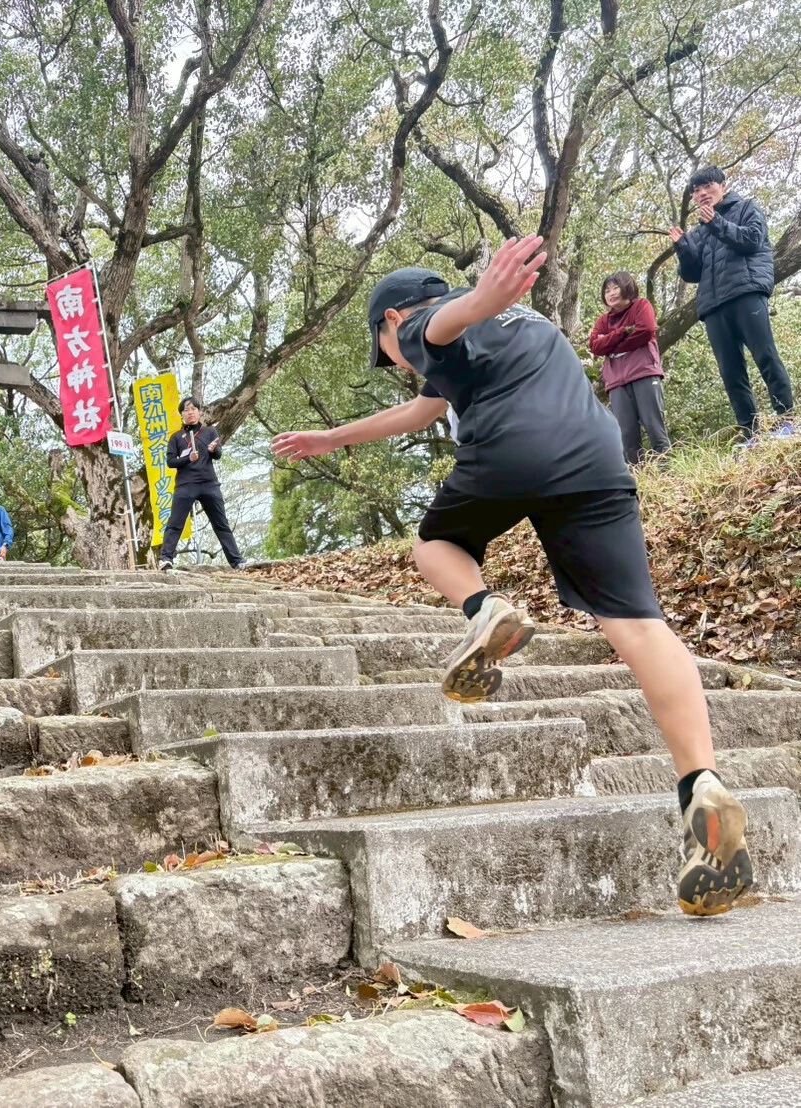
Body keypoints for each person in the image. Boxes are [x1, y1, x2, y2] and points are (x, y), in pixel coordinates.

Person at [270, 239, 751, 918]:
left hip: (508, 450)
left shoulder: (425, 321)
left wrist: (477, 300)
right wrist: (332, 437)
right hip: (596, 462)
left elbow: (439, 325)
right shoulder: (532, 328)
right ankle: (700, 781)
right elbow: (421, 408)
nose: (400, 361)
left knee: (433, 545)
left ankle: (485, 608)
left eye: (391, 350)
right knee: (638, 626)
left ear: (391, 319)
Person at [669, 166, 795, 437]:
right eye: (696, 191)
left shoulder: (747, 207)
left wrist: (716, 222)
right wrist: (682, 246)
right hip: (714, 304)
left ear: (724, 187)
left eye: (708, 187)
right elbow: (691, 273)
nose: (702, 194)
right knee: (730, 372)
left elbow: (752, 240)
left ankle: (787, 420)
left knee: (765, 355)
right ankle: (750, 434)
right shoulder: (700, 230)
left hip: (746, 292)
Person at [589, 272, 671, 465]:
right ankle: (639, 481)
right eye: (607, 290)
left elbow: (646, 330)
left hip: (643, 372)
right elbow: (594, 345)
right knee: (627, 435)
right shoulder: (603, 321)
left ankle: (667, 474)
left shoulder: (641, 306)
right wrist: (623, 332)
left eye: (615, 287)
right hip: (616, 381)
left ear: (627, 286)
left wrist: (611, 344)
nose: (611, 293)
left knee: (654, 427)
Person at [159, 397, 245, 571]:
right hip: (186, 484)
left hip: (209, 483)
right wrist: (187, 458)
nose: (190, 412)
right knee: (175, 522)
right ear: (181, 414)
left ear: (199, 412)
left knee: (221, 523)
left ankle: (237, 562)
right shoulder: (176, 437)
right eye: (186, 409)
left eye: (193, 409)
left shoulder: (210, 432)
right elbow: (170, 462)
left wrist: (214, 449)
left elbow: (218, 454)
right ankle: (166, 559)